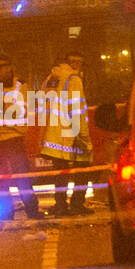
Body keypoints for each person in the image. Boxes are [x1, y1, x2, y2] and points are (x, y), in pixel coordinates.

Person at [0, 53, 41, 219]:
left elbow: (25, 113)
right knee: (0, 180)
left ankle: (32, 210)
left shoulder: (21, 87)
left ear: (10, 67)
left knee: (22, 177)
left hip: (13, 139)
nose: (0, 71)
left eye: (3, 66)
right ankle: (6, 213)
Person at [39, 49, 92, 215]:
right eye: (74, 61)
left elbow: (43, 103)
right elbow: (76, 110)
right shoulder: (74, 80)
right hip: (70, 135)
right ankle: (76, 204)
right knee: (83, 168)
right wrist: (83, 136)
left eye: (79, 62)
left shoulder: (52, 79)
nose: (77, 65)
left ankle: (61, 206)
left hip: (54, 134)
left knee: (60, 174)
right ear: (68, 63)